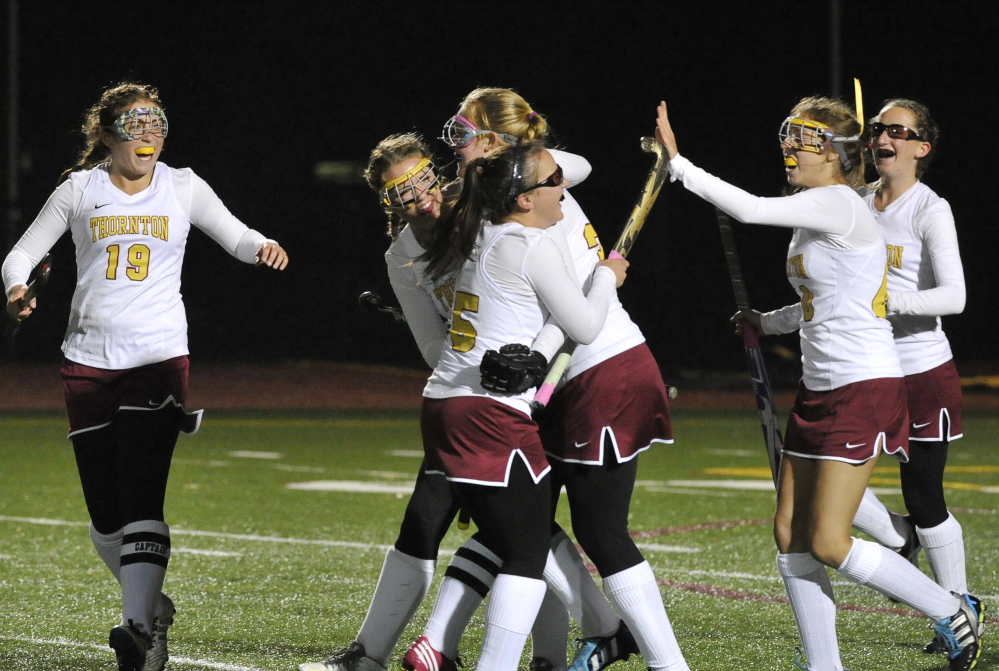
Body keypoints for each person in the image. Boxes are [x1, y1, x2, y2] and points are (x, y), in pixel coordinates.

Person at [653, 98, 984, 671]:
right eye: (786, 135)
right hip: (819, 385)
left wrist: (678, 166)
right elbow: (822, 301)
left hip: (863, 385)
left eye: (800, 138)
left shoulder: (835, 203)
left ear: (834, 153)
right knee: (789, 535)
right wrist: (767, 321)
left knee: (830, 541)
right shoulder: (824, 208)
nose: (787, 148)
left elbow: (751, 210)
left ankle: (950, 609)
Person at [2, 82, 288, 671]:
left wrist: (263, 245)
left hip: (158, 358)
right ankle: (154, 611)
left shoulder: (183, 185)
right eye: (136, 125)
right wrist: (15, 289)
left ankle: (135, 630)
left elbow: (234, 236)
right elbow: (20, 254)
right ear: (106, 134)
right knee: (105, 521)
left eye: (158, 124)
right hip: (86, 361)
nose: (149, 135)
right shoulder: (79, 189)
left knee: (141, 493)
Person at [430, 88, 685, 671]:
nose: (455, 145)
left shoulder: (527, 195)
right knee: (529, 524)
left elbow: (581, 321)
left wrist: (602, 278)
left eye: (465, 133)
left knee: (598, 531)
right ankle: (570, 644)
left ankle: (663, 661)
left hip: (600, 368)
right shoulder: (502, 194)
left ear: (497, 143)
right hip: (563, 378)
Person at [419, 140, 628, 671]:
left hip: (446, 404)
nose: (563, 185)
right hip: (487, 414)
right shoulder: (530, 246)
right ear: (522, 199)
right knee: (526, 553)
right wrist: (607, 276)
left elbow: (543, 320)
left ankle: (596, 631)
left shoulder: (487, 233)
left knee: (522, 535)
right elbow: (584, 323)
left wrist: (536, 352)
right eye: (552, 179)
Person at [859, 99, 972, 655]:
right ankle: (897, 539)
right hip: (866, 370)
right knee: (822, 483)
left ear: (921, 147)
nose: (885, 136)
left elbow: (955, 296)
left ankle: (958, 606)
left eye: (898, 131)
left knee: (925, 497)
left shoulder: (931, 208)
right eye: (880, 128)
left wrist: (885, 302)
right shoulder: (857, 203)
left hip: (922, 370)